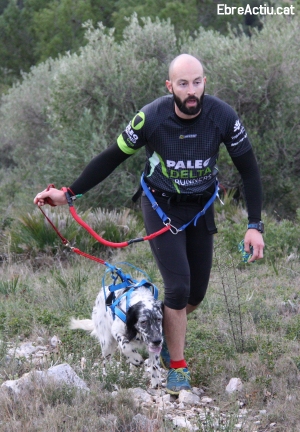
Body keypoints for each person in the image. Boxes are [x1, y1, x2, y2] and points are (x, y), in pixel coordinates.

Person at [34, 54, 264, 395]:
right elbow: (113, 156)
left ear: (205, 82)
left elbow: (249, 168)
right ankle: (177, 366)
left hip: (200, 209)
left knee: (195, 293)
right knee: (179, 287)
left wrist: (254, 224)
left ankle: (159, 323)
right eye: (183, 84)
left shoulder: (223, 117)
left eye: (197, 82)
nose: (191, 91)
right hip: (161, 205)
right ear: (170, 86)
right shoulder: (151, 118)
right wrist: (70, 193)